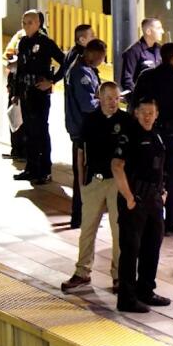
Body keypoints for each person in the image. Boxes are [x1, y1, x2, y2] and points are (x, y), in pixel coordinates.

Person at [62, 81, 126, 292]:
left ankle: (119, 275)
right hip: (94, 181)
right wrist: (81, 183)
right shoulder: (89, 121)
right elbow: (80, 153)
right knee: (87, 229)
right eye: (109, 98)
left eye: (116, 98)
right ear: (100, 98)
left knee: (119, 231)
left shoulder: (125, 121)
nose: (113, 103)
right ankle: (82, 272)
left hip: (117, 183)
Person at [130, 42, 173, 233]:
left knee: (149, 174)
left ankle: (149, 216)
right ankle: (171, 222)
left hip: (149, 134)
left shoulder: (146, 76)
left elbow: (134, 103)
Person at [112, 97, 171, 313]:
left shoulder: (157, 135)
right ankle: (126, 299)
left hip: (154, 200)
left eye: (151, 112)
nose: (147, 116)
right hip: (135, 200)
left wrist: (163, 191)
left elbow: (160, 166)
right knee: (130, 250)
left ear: (156, 114)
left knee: (152, 245)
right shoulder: (130, 135)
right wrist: (128, 197)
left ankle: (146, 290)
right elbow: (117, 166)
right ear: (136, 113)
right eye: (143, 112)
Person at [12, 10, 70, 185]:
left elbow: (64, 61)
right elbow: (20, 68)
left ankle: (45, 170)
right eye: (24, 22)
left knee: (41, 131)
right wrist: (15, 92)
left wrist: (52, 81)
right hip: (25, 91)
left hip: (39, 93)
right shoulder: (22, 42)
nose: (26, 26)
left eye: (30, 22)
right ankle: (31, 168)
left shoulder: (45, 42)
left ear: (38, 24)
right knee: (29, 131)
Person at [64, 35, 105, 228]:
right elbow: (88, 104)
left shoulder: (86, 69)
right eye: (100, 58)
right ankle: (80, 216)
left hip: (84, 130)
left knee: (86, 173)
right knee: (83, 174)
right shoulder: (81, 73)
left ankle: (84, 214)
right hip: (83, 131)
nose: (102, 62)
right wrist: (105, 101)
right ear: (92, 55)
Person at [117, 17, 164, 102]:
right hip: (140, 102)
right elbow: (127, 80)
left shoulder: (160, 50)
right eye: (158, 28)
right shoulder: (133, 52)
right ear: (148, 31)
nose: (162, 31)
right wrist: (139, 97)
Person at [3, 27, 27, 162]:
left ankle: (24, 151)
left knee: (24, 121)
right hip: (14, 84)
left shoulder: (41, 40)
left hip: (26, 88)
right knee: (13, 118)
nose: (25, 26)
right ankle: (16, 149)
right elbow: (7, 56)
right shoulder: (19, 35)